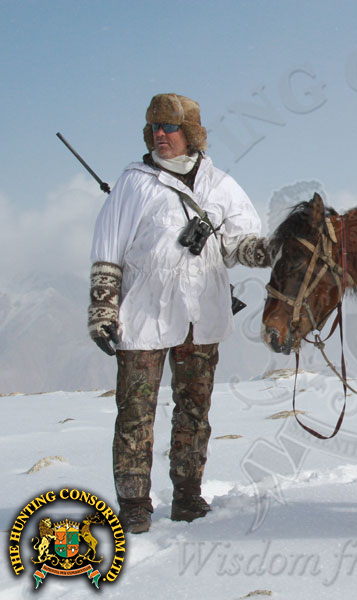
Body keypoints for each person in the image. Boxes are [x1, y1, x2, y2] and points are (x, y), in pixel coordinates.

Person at [88, 93, 271, 534]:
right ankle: (134, 504)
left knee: (194, 409)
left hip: (202, 313)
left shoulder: (220, 185)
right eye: (154, 127)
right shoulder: (134, 182)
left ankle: (188, 496)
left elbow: (239, 241)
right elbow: (107, 246)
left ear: (190, 132)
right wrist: (102, 306)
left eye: (169, 127)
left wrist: (270, 251)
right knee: (135, 412)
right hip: (143, 313)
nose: (160, 135)